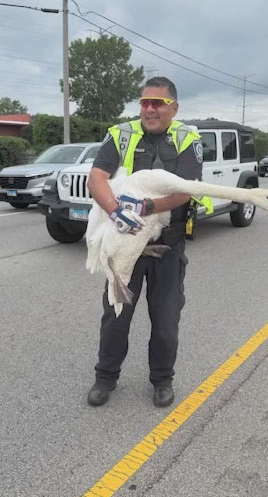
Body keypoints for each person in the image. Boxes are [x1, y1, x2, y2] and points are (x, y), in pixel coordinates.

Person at [85, 77, 205, 408]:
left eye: (158, 103)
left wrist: (147, 207)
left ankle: (162, 379)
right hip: (126, 244)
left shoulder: (186, 139)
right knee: (115, 314)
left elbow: (185, 191)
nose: (149, 109)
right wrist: (114, 211)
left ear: (174, 108)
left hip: (167, 247)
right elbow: (97, 178)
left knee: (166, 318)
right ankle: (105, 377)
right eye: (144, 102)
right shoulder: (120, 134)